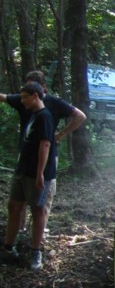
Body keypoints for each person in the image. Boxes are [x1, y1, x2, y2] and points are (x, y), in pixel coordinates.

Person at [0, 69, 86, 232]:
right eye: (28, 87)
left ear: (43, 88)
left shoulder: (54, 103)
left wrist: (60, 134)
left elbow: (80, 116)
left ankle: (37, 240)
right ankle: (21, 232)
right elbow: (3, 97)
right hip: (25, 157)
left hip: (48, 156)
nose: (29, 96)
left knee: (42, 201)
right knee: (20, 198)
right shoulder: (22, 99)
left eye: (35, 88)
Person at [1, 82, 56, 270]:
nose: (22, 100)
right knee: (14, 205)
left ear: (35, 96)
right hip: (22, 169)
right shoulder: (32, 114)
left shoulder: (45, 117)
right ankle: (9, 249)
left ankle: (36, 252)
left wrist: (40, 174)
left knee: (37, 210)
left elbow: (45, 145)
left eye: (25, 97)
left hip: (36, 173)